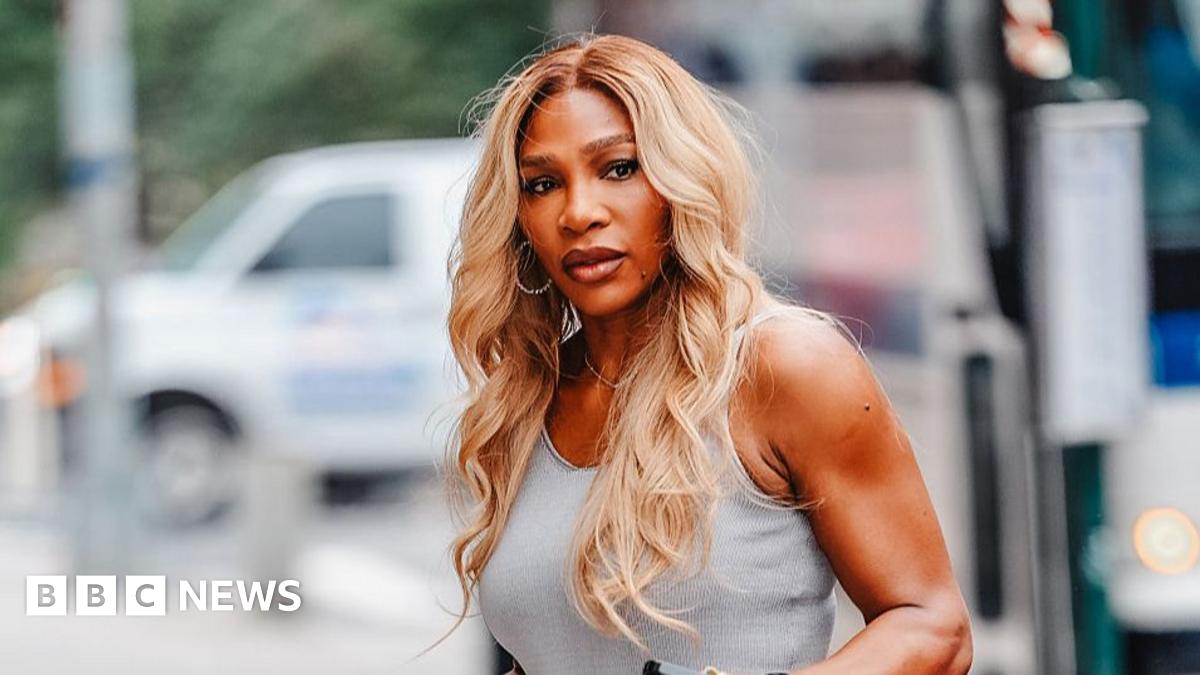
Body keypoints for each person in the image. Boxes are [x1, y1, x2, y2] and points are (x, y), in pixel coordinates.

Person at [442, 34, 972, 675]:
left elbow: (932, 629)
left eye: (619, 168)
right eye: (543, 183)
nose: (579, 213)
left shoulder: (782, 367)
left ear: (679, 179)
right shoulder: (528, 402)